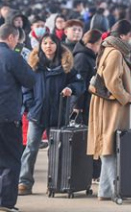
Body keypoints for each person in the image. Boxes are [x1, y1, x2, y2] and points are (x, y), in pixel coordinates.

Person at [18, 34, 84, 196]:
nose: (48, 46)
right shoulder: (34, 65)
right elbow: (26, 88)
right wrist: (31, 105)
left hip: (58, 114)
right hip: (37, 114)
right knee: (31, 148)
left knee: (56, 151)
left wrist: (71, 89)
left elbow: (79, 83)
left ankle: (55, 182)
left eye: (52, 43)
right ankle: (24, 182)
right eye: (45, 43)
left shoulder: (66, 65)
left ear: (58, 45)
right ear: (41, 46)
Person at [87, 20, 131, 201]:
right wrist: (128, 97)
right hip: (112, 106)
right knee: (111, 146)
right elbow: (112, 81)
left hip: (108, 105)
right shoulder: (116, 53)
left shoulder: (108, 49)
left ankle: (105, 190)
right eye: (130, 36)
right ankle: (115, 190)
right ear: (123, 36)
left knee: (109, 146)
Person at [0, 25, 36, 211]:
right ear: (12, 37)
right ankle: (5, 203)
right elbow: (30, 80)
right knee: (10, 160)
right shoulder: (12, 56)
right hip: (6, 116)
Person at [72, 29, 103, 182]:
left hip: (88, 104)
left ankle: (95, 171)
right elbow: (79, 83)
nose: (100, 47)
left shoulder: (87, 56)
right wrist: (77, 106)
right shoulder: (82, 58)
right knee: (87, 138)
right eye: (98, 44)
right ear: (91, 44)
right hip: (83, 107)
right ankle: (93, 172)